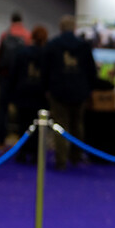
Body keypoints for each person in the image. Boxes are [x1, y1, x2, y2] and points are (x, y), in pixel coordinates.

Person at [43, 15, 97, 170]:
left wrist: (46, 88)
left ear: (61, 28)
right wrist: (88, 89)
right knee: (78, 124)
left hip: (58, 91)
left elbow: (45, 70)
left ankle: (61, 160)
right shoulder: (84, 46)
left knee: (60, 125)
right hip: (79, 91)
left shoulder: (53, 45)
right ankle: (75, 156)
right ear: (74, 28)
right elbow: (91, 70)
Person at [11, 25, 49, 163]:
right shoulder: (47, 54)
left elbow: (14, 74)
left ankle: (22, 152)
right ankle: (35, 154)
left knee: (23, 124)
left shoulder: (22, 53)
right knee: (39, 127)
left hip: (23, 92)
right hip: (39, 95)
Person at [0, 11, 32, 149]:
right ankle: (22, 143)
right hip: (21, 79)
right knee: (23, 112)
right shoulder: (27, 35)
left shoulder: (5, 35)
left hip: (5, 76)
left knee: (2, 109)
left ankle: (0, 141)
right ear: (21, 20)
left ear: (11, 20)